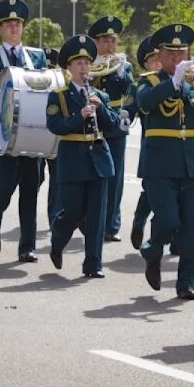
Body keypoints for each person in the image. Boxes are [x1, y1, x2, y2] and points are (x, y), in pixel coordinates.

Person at [137, 24, 194, 300]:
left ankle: (186, 283)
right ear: (159, 55)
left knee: (193, 227)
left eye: (182, 52)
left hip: (193, 160)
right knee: (169, 220)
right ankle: (152, 248)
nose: (177, 57)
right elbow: (145, 103)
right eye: (171, 52)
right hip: (160, 161)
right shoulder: (149, 81)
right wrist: (172, 84)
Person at [0, 0, 47, 262]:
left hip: (32, 130)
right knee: (7, 180)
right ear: (0, 28)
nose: (14, 27)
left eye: (18, 23)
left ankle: (27, 245)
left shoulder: (37, 56)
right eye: (9, 24)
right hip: (2, 129)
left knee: (31, 185)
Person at [46, 35, 120, 278]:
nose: (84, 68)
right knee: (73, 211)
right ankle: (58, 239)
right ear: (69, 67)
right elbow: (55, 126)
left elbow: (114, 126)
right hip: (73, 159)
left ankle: (93, 265)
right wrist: (80, 115)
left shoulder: (100, 95)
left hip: (99, 159)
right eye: (78, 63)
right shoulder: (58, 95)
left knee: (97, 216)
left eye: (87, 63)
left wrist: (101, 109)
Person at [86, 16, 134, 242]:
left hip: (114, 123)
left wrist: (123, 74)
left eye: (113, 41)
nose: (110, 46)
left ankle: (111, 225)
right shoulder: (87, 63)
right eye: (105, 41)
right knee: (92, 174)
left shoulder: (123, 66)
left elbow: (129, 90)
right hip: (92, 121)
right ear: (95, 42)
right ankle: (90, 219)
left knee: (115, 177)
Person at [124, 35, 160, 250]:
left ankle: (171, 238)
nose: (157, 61)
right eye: (152, 58)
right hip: (153, 147)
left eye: (160, 57)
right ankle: (139, 221)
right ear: (145, 63)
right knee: (151, 190)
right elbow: (128, 110)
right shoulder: (141, 85)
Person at [41, 46, 62, 226]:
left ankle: (53, 216)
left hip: (54, 136)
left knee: (56, 177)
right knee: (37, 177)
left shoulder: (60, 83)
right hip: (36, 136)